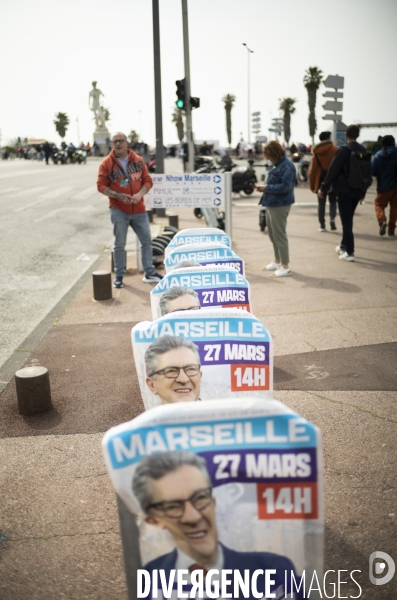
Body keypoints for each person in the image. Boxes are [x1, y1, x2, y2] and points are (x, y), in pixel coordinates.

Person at [132, 451, 297, 597]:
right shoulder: (150, 577)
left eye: (200, 498)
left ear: (213, 502)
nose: (194, 517)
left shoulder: (274, 570)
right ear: (155, 520)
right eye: (173, 507)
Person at [97, 132, 163, 288]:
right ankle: (119, 275)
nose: (118, 144)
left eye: (120, 141)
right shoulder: (106, 163)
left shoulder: (138, 161)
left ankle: (149, 272)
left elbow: (147, 180)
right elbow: (101, 185)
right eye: (115, 142)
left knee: (146, 241)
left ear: (127, 143)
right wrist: (118, 196)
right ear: (112, 145)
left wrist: (140, 194)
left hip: (139, 209)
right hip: (119, 209)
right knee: (120, 243)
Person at [319, 124, 370, 262]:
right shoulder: (364, 150)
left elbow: (333, 170)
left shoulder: (344, 150)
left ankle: (350, 252)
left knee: (346, 222)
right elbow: (367, 173)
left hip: (345, 190)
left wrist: (323, 188)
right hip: (358, 190)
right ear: (358, 135)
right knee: (348, 219)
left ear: (346, 135)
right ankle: (343, 246)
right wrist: (363, 191)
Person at [255, 140, 295, 277]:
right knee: (273, 235)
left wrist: (266, 187)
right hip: (271, 203)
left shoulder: (287, 166)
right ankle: (278, 261)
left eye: (268, 154)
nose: (267, 157)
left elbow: (285, 187)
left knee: (279, 235)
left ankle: (285, 266)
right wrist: (265, 188)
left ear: (274, 153)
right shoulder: (276, 165)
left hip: (280, 204)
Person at [145, 337, 201, 404]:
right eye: (171, 371)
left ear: (200, 377)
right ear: (152, 385)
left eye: (191, 369)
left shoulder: (216, 414)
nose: (183, 379)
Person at [308, 131, 338, 232]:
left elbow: (312, 170)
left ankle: (322, 225)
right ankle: (332, 219)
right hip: (333, 179)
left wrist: (312, 185)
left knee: (321, 203)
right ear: (328, 138)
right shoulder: (335, 150)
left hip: (320, 180)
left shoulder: (316, 151)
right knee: (333, 201)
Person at [371, 135, 397, 237]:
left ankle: (382, 221)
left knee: (379, 204)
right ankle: (391, 230)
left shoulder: (378, 155)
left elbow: (373, 172)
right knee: (395, 208)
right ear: (393, 142)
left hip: (384, 186)